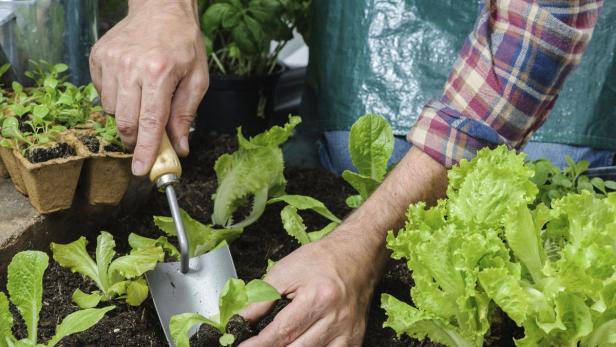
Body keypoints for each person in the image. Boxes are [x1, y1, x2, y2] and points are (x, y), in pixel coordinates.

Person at [91, 1, 605, 346]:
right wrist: (162, 8)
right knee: (348, 157)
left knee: (543, 185)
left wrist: (363, 246)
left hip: (548, 103)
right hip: (363, 73)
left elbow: (540, 27)